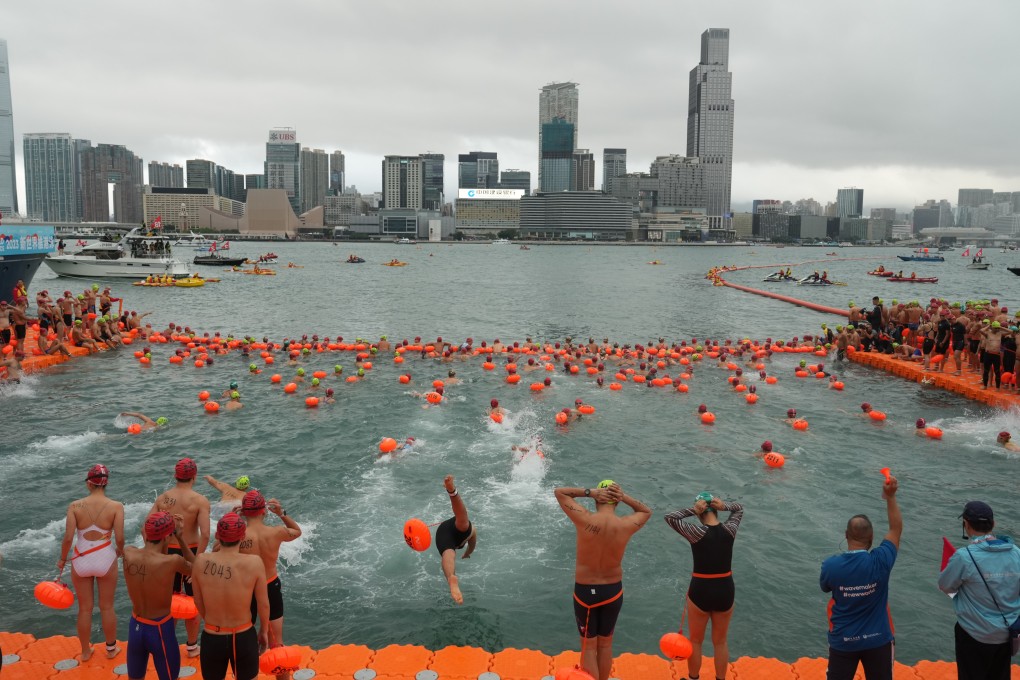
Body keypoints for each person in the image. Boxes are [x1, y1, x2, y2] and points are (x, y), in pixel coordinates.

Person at [554, 480, 651, 680]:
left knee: (588, 647)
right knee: (605, 644)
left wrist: (589, 492)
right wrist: (624, 497)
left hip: (585, 593)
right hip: (613, 592)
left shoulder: (584, 519)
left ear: (598, 499)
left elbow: (560, 493)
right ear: (616, 502)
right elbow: (646, 511)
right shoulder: (625, 525)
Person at [820, 474, 902, 680]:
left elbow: (826, 587)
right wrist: (890, 497)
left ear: (846, 535)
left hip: (844, 640)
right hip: (878, 640)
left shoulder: (831, 565)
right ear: (872, 538)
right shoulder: (881, 560)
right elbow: (895, 529)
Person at [664, 492, 744, 680]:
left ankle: (693, 678)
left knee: (696, 641)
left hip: (701, 589)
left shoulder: (697, 533)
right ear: (716, 511)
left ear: (700, 513)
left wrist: (692, 510)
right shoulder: (730, 529)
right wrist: (725, 507)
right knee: (721, 641)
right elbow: (739, 508)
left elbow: (670, 518)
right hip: (725, 588)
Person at [938, 500, 1020, 680]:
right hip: (1008, 634)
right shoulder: (1016, 552)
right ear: (993, 524)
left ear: (966, 524)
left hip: (974, 634)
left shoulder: (964, 557)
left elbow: (945, 585)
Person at [57, 464, 125, 661]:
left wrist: (62, 559)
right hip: (105, 557)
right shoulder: (116, 506)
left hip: (81, 558)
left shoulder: (75, 506)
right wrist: (119, 551)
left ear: (89, 483)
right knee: (107, 606)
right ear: (106, 483)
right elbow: (120, 538)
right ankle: (111, 649)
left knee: (85, 608)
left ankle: (86, 652)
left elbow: (68, 538)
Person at [193, 513, 269, 680]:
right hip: (243, 634)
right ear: (242, 536)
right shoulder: (254, 563)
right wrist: (264, 631)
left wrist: (213, 621)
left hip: (212, 635)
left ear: (218, 536)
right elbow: (263, 604)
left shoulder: (201, 561)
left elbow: (198, 601)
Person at [123, 512, 195, 680]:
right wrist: (181, 538)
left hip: (135, 627)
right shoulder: (172, 561)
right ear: (168, 537)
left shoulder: (128, 553)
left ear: (146, 534)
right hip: (160, 629)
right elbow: (196, 567)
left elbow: (150, 547)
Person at [151, 458, 211, 658]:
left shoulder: (163, 498)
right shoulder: (200, 500)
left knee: (170, 600)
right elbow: (205, 535)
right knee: (194, 600)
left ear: (175, 476)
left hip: (167, 553)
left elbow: (147, 526)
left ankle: (167, 644)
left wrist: (156, 552)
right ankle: (192, 646)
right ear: (194, 476)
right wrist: (197, 561)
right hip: (191, 552)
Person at [236, 489, 301, 673]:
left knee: (244, 640)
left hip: (247, 589)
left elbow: (219, 547)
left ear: (244, 512)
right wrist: (281, 513)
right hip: (270, 586)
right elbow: (297, 531)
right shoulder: (277, 532)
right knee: (277, 646)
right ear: (264, 511)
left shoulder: (238, 537)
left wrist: (233, 519)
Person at [433, 475, 477, 605]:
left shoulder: (471, 530)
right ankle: (452, 491)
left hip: (448, 530)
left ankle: (452, 492)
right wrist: (468, 553)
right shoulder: (471, 532)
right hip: (446, 533)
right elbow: (472, 544)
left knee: (462, 520)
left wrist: (468, 552)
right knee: (449, 552)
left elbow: (472, 542)